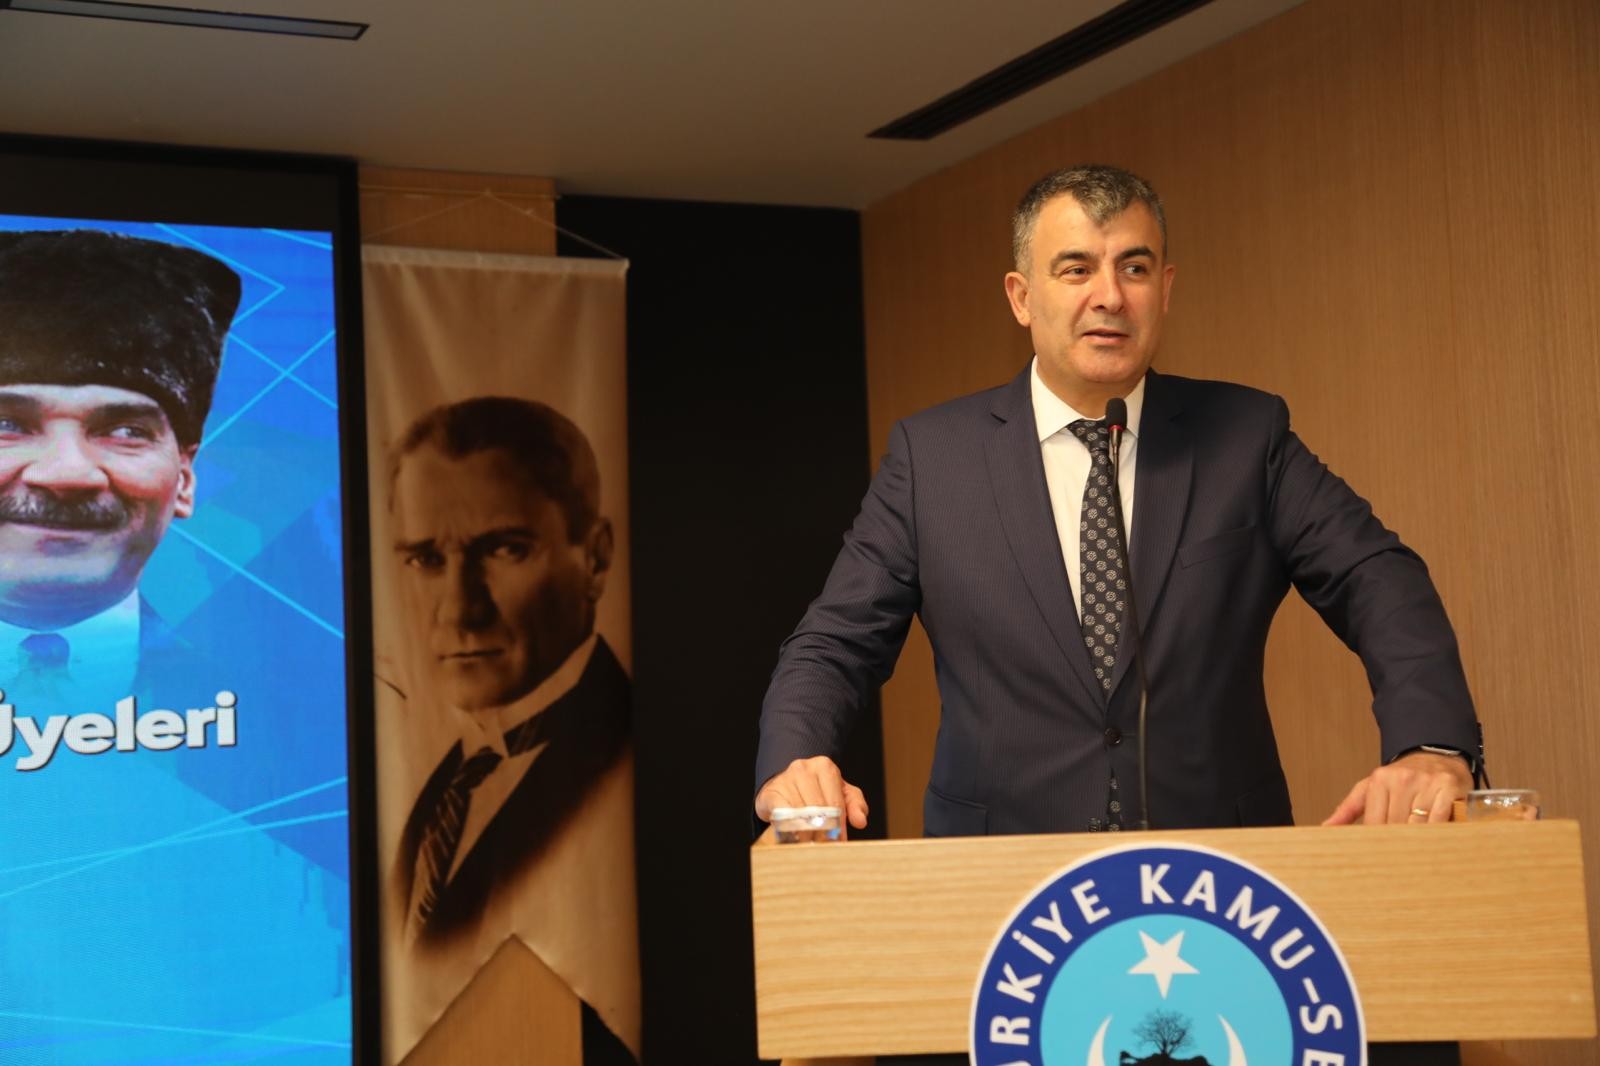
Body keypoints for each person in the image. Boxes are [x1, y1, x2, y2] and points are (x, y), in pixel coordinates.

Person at [754, 164, 1481, 841]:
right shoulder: (933, 459)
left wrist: (1432, 745)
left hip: (1213, 876)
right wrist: (795, 762)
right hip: (1002, 877)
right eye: (1076, 269)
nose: (1110, 296)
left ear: (1165, 288)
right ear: (1021, 297)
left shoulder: (1246, 437)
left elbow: (1376, 578)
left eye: (1134, 268)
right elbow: (836, 641)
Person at [383, 396, 635, 1063]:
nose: (460, 610)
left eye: (504, 550)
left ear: (596, 559)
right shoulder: (442, 786)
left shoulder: (631, 770)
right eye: (425, 559)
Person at [0, 229, 239, 708]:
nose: (67, 474)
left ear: (185, 480)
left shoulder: (271, 703)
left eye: (126, 431)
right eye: (8, 425)